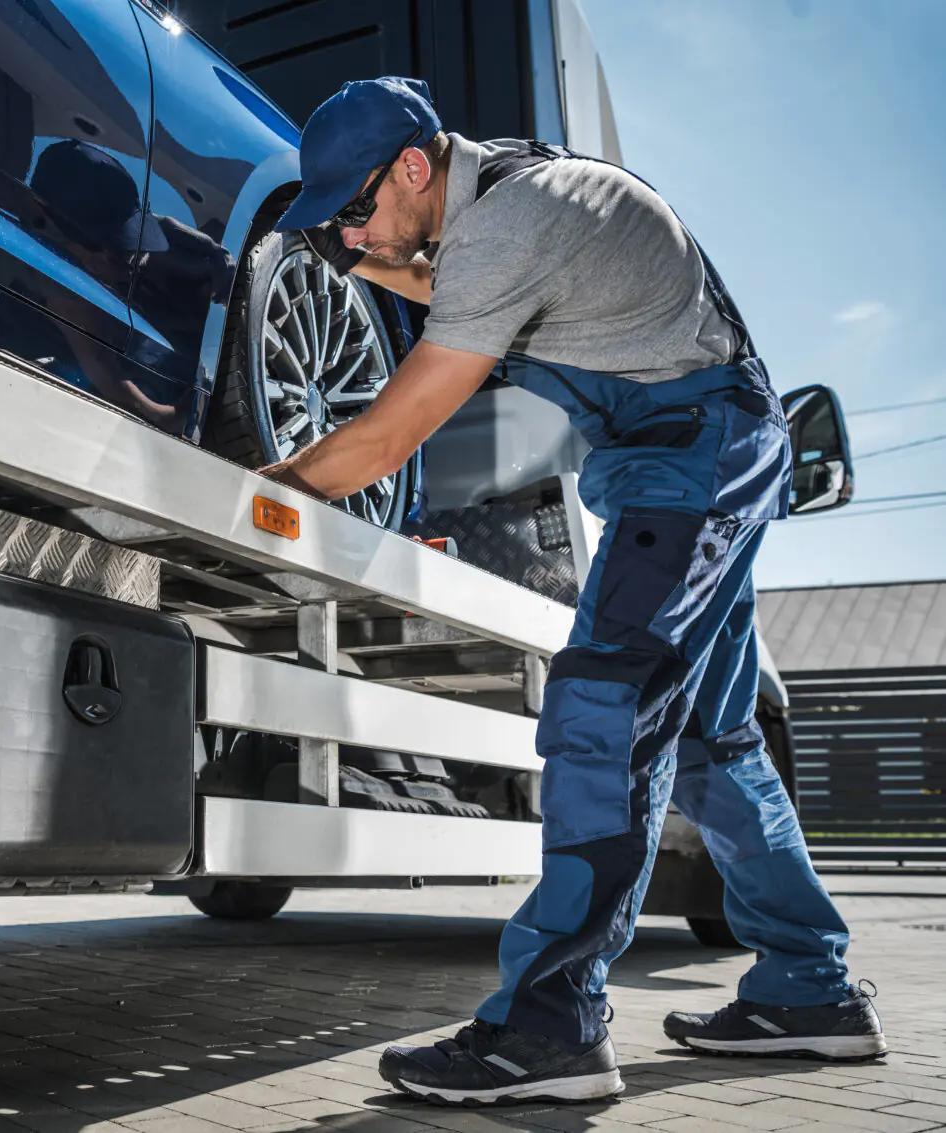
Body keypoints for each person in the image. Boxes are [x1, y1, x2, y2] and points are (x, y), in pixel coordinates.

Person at [265, 76, 883, 1107]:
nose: (351, 231)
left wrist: (255, 486)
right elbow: (447, 285)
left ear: (412, 167)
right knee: (713, 739)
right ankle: (809, 989)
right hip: (712, 447)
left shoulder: (513, 223)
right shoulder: (506, 190)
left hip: (687, 462)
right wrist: (361, 251)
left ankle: (550, 1026)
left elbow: (381, 441)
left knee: (602, 706)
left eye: (356, 208)